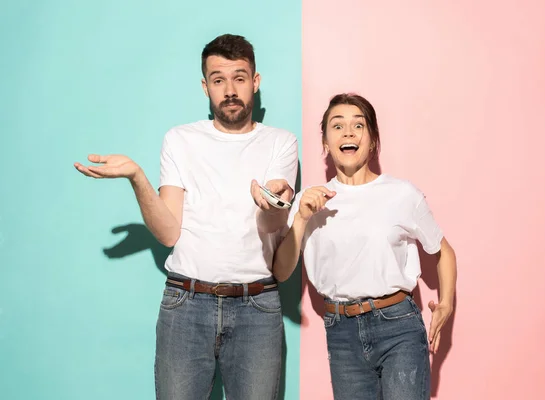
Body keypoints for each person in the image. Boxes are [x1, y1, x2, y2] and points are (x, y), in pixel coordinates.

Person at [74, 34, 298, 400]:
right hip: (186, 304)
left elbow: (277, 197)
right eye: (218, 79)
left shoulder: (281, 142)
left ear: (255, 83)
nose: (229, 89)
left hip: (257, 307)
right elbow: (167, 232)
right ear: (205, 85)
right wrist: (137, 177)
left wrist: (271, 199)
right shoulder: (180, 140)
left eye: (240, 78)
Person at [273, 93, 456, 399]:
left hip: (398, 326)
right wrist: (302, 218)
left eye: (358, 125)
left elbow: (443, 251)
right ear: (325, 143)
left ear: (372, 141)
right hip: (341, 331)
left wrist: (447, 302)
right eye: (337, 125)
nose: (348, 132)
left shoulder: (401, 194)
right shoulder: (310, 200)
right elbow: (280, 271)